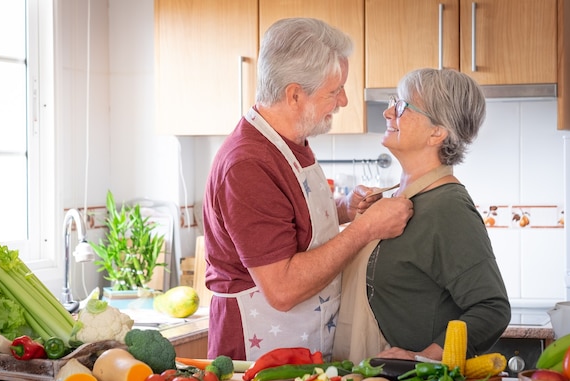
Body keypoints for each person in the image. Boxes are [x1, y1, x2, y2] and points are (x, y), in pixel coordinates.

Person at [202, 17, 414, 361]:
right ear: (295, 95)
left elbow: (292, 221)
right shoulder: (248, 165)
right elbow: (282, 289)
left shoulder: (291, 140)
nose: (344, 100)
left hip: (302, 344)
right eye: (335, 90)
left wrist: (346, 208)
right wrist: (364, 229)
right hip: (256, 358)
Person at [368, 68, 511, 361]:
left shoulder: (448, 208)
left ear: (437, 132)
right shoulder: (400, 201)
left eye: (402, 106)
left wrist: (425, 357)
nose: (387, 113)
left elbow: (492, 307)